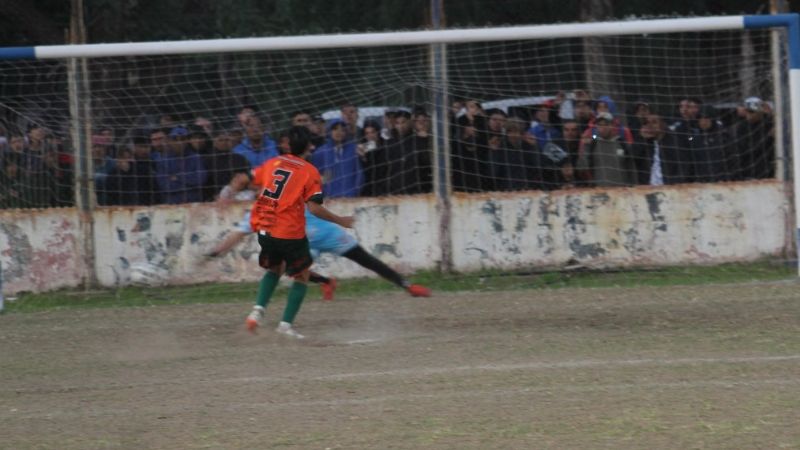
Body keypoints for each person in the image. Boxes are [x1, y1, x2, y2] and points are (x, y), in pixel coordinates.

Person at [244, 126, 354, 338]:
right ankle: (285, 326)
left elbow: (250, 180)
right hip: (288, 231)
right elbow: (314, 207)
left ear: (287, 145)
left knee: (274, 269)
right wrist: (341, 220)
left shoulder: (272, 163)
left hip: (264, 228)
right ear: (309, 147)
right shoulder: (309, 171)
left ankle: (256, 312)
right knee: (302, 275)